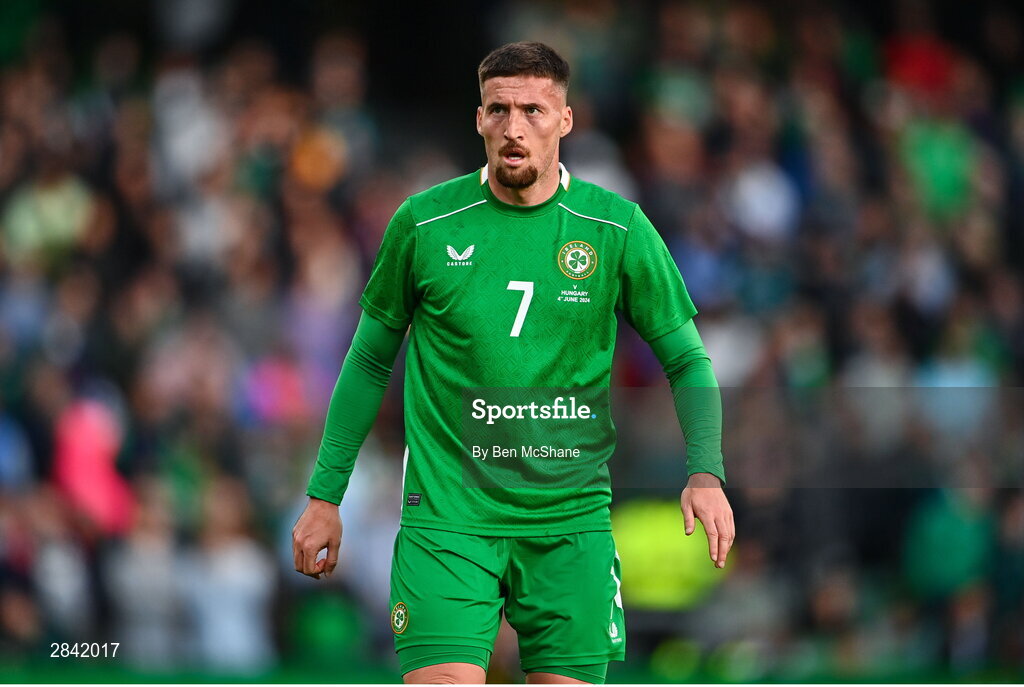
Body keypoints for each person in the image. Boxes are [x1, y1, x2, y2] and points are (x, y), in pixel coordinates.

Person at [292, 41, 734, 685]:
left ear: (566, 120)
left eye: (533, 109)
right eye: (499, 110)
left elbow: (688, 361)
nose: (514, 127)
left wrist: (706, 472)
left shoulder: (615, 229)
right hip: (448, 521)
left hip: (569, 522)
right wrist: (325, 494)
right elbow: (366, 363)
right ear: (479, 120)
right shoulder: (424, 225)